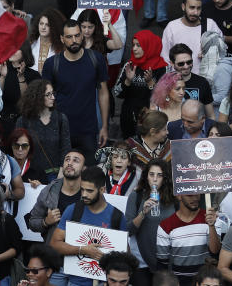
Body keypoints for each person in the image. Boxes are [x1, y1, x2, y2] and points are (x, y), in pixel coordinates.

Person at [43, 19, 110, 158]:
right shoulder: (51, 64)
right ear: (62, 39)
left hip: (89, 131)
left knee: (90, 174)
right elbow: (45, 98)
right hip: (60, 131)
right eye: (69, 37)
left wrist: (104, 126)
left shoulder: (96, 59)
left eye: (77, 35)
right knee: (62, 174)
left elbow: (103, 93)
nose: (74, 40)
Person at [50, 167, 128, 286]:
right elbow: (55, 244)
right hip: (74, 280)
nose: (84, 195)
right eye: (82, 190)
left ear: (102, 189)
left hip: (102, 282)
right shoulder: (73, 210)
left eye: (89, 191)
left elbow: (125, 254)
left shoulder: (116, 216)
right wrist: (83, 250)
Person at [126, 158, 176, 280]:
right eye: (151, 174)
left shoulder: (174, 198)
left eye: (159, 175)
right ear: (146, 176)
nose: (154, 179)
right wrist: (143, 213)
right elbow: (128, 230)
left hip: (169, 260)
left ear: (165, 178)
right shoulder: (136, 196)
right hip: (142, 261)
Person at [155, 192, 220, 285]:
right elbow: (162, 265)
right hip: (180, 282)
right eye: (189, 195)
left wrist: (212, 226)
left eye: (197, 194)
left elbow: (215, 251)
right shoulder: (165, 226)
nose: (195, 198)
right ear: (179, 196)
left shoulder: (210, 218)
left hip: (206, 282)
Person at [115, 32, 168, 138]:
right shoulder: (129, 65)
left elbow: (164, 98)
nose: (134, 49)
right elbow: (117, 93)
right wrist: (127, 81)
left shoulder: (161, 68)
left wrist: (151, 84)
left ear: (149, 46)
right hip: (129, 117)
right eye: (133, 45)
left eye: (138, 45)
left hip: (152, 120)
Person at [161, 0, 219, 75]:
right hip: (179, 79)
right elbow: (165, 57)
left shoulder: (210, 25)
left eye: (198, 8)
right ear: (183, 7)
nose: (195, 12)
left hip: (205, 78)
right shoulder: (172, 27)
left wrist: (211, 53)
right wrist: (172, 78)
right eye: (192, 7)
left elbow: (221, 50)